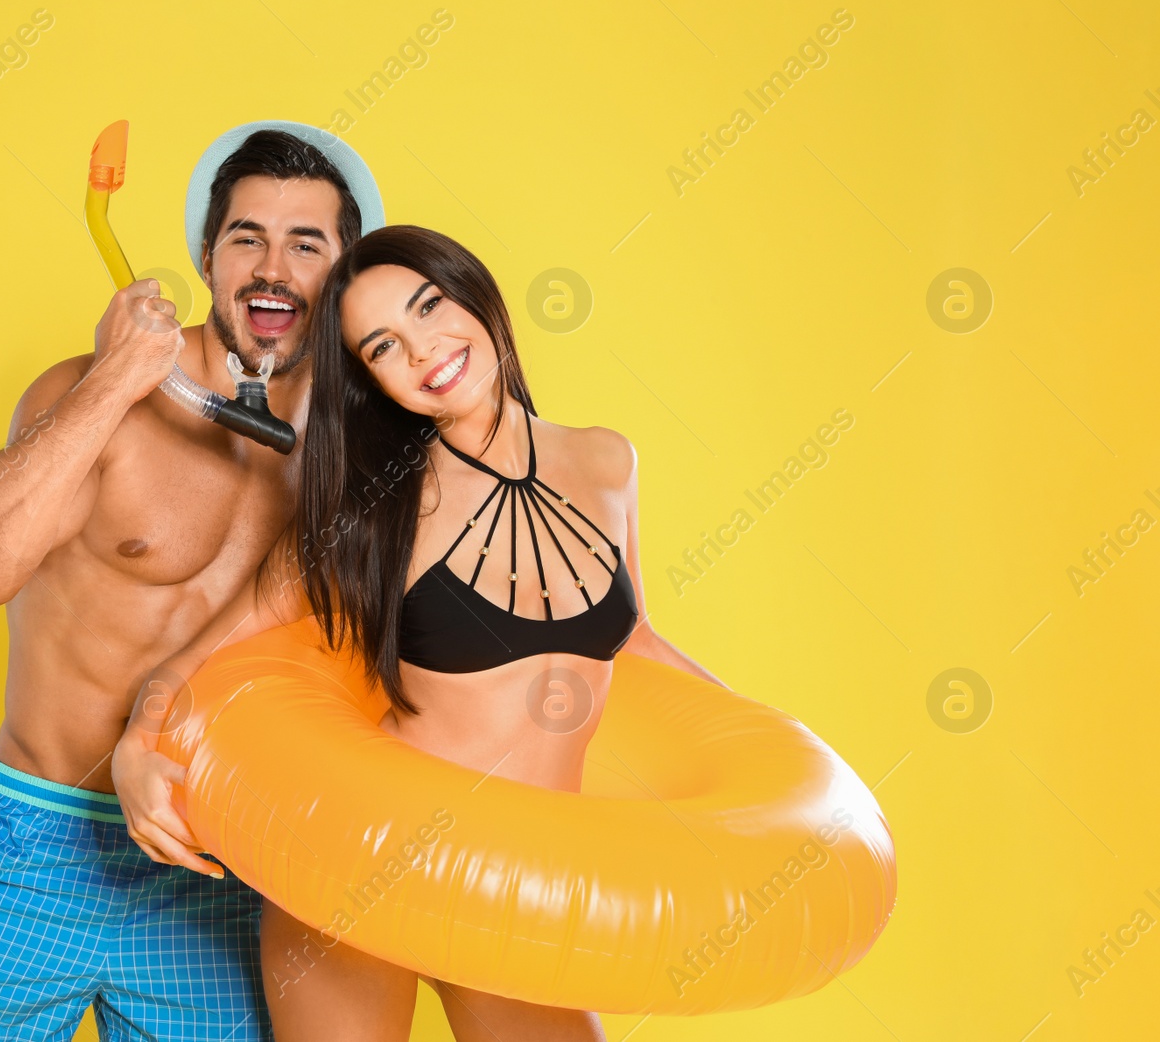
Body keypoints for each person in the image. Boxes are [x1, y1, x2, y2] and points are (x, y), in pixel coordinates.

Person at [114, 225, 728, 1041]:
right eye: (383, 346)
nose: (425, 350)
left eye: (430, 306)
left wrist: (765, 754)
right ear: (373, 382)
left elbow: (635, 639)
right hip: (365, 863)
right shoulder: (374, 512)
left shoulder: (607, 461)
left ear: (473, 291)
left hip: (520, 886)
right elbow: (204, 655)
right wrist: (133, 749)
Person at [0, 123, 384, 1042]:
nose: (272, 266)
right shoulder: (100, 395)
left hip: (222, 863)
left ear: (343, 273)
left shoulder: (354, 452)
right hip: (33, 843)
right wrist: (112, 381)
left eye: (307, 243)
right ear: (205, 258)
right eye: (246, 236)